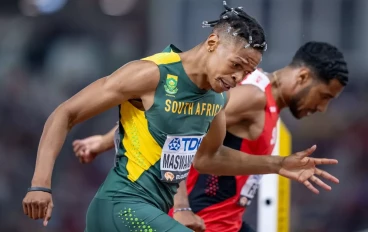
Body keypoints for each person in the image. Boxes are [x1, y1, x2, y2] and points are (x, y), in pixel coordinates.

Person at [22, 2, 339, 232]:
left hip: (156, 213)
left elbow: (206, 159)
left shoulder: (215, 99)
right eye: (237, 64)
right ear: (212, 43)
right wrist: (41, 185)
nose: (239, 76)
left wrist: (278, 165)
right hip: (121, 207)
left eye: (248, 71)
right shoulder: (151, 74)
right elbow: (65, 113)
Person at [73, 41, 348, 232]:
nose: (322, 108)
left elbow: (167, 111)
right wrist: (181, 206)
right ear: (302, 77)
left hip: (229, 223)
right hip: (204, 222)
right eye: (324, 96)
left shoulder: (258, 91)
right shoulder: (252, 98)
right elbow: (176, 123)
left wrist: (103, 141)